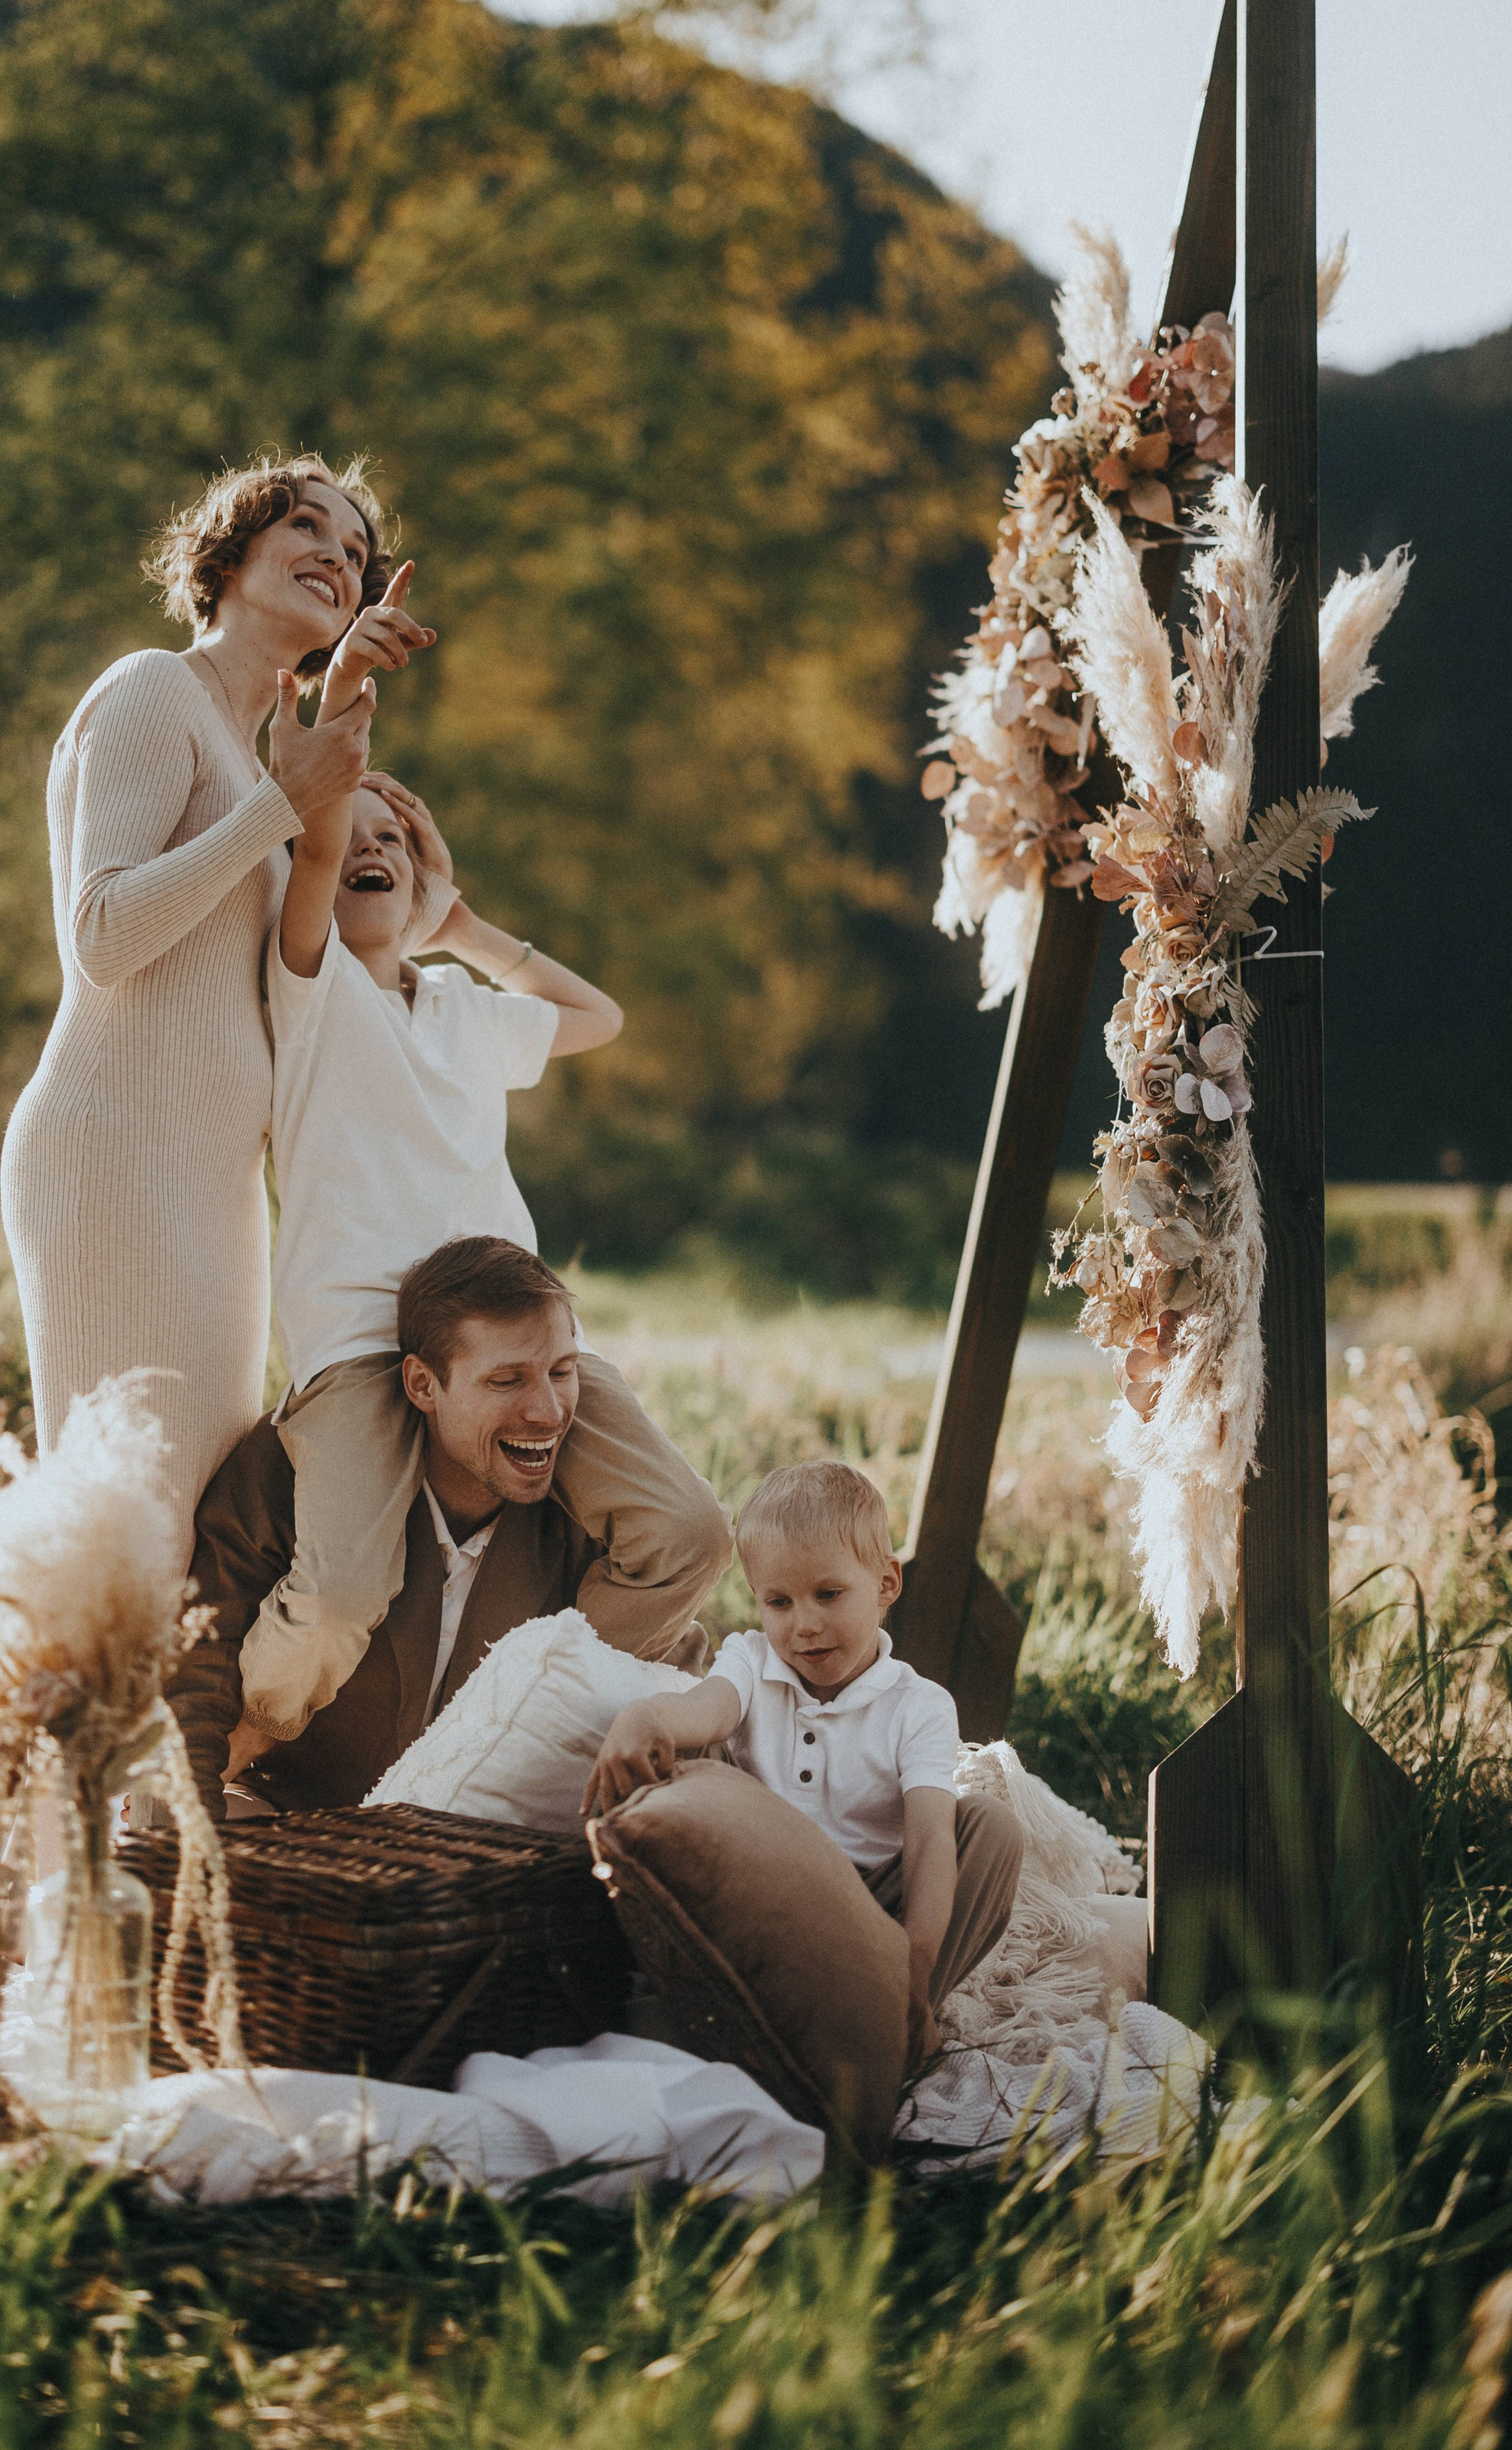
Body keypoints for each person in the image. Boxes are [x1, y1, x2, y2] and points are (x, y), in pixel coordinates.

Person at [230, 679, 734, 1748]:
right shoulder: (315, 994)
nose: (371, 847)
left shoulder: (461, 1006)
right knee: (338, 1598)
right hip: (366, 1345)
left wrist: (458, 925)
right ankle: (241, 1747)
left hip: (520, 1343)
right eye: (349, 834)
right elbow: (314, 858)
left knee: (687, 1531)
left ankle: (517, 1724)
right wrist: (317, 781)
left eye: (396, 840)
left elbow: (596, 1017)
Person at [1, 454, 433, 1547]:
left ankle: (138, 1724)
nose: (338, 557)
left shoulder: (255, 761)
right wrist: (281, 806)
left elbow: (308, 961)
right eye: (308, 528)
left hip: (213, 1190)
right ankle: (57, 1720)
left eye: (356, 554)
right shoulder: (152, 688)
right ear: (231, 552)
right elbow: (101, 937)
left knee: (196, 1528)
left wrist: (325, 752)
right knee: (120, 1524)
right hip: (111, 1160)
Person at [171, 1239, 710, 1810]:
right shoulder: (296, 1480)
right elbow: (203, 1653)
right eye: (507, 1381)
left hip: (495, 1855)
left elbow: (667, 1677)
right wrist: (183, 1815)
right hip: (300, 1824)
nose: (549, 1412)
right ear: (423, 1385)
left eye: (562, 1371)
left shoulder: (597, 1524)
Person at [583, 1458, 1022, 2069]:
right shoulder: (752, 1660)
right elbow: (707, 1709)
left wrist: (914, 1968)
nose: (804, 1626)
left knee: (990, 1830)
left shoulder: (918, 1705)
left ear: (886, 1585)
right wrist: (647, 1718)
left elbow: (927, 1842)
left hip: (873, 1912)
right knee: (696, 1774)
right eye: (779, 1602)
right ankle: (718, 2000)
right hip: (766, 1894)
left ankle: (899, 2009)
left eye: (829, 1594)